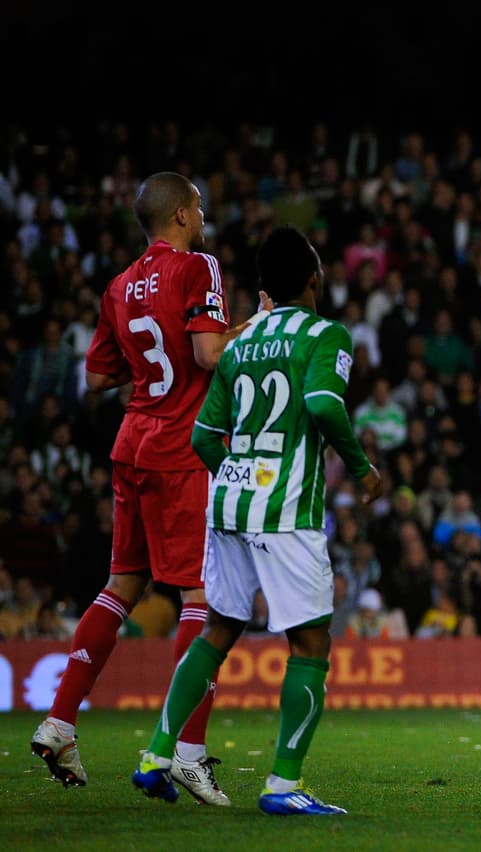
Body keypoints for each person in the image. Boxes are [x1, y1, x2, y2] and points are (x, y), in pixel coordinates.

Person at [132, 224, 382, 815]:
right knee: (310, 640)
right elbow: (323, 403)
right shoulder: (327, 334)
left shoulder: (239, 343)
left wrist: (238, 474)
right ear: (314, 279)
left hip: (229, 504)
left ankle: (156, 754)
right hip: (286, 509)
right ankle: (283, 785)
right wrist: (362, 468)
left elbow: (203, 437)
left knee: (218, 629)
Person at [31, 172, 248, 804]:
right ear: (180, 214)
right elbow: (209, 355)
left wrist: (152, 367)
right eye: (198, 207)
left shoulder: (119, 284)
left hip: (132, 446)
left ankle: (59, 722)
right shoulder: (199, 267)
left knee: (121, 586)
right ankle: (187, 751)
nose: (202, 217)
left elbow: (98, 378)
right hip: (181, 451)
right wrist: (258, 324)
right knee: (203, 597)